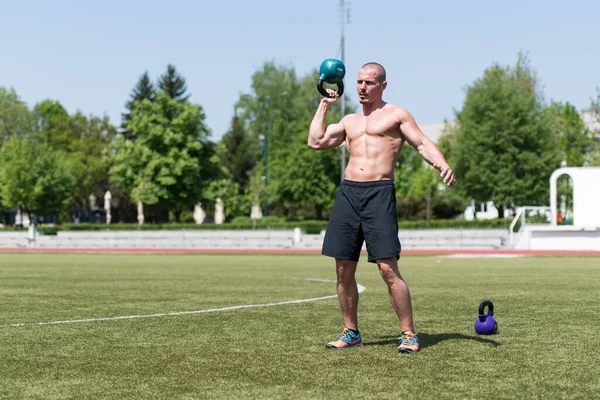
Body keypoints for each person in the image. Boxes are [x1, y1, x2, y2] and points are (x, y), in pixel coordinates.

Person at [308, 62, 456, 354]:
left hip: (379, 193)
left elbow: (422, 143)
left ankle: (409, 333)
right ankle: (351, 332)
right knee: (342, 269)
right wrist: (324, 105)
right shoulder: (349, 120)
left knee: (388, 268)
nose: (363, 87)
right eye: (359, 82)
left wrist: (442, 163)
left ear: (383, 85)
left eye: (369, 83)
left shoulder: (396, 115)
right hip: (348, 194)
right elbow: (315, 141)